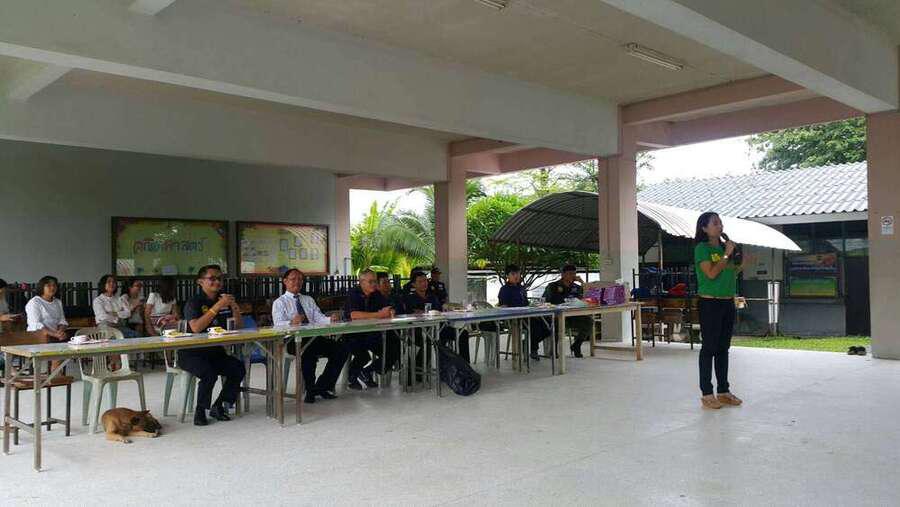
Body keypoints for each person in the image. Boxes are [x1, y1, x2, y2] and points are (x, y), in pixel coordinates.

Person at [181, 265, 246, 426]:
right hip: (191, 353)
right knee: (209, 373)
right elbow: (196, 327)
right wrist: (217, 307)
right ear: (200, 282)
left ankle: (219, 405)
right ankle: (200, 410)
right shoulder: (194, 302)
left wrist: (234, 307)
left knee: (238, 368)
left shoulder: (223, 300)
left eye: (219, 278)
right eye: (212, 278)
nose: (217, 282)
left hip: (215, 351)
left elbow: (238, 327)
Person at [272, 269, 348, 404]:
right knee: (308, 351)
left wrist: (330, 319)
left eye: (300, 279)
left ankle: (322, 386)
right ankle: (310, 389)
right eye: (293, 279)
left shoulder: (308, 299)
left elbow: (318, 317)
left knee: (341, 349)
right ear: (285, 281)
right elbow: (277, 324)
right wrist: (291, 322)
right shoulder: (280, 302)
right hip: (292, 340)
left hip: (313, 337)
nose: (297, 282)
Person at [694, 212, 743, 410]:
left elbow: (728, 273)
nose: (720, 226)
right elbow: (712, 273)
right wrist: (726, 255)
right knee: (709, 348)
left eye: (720, 222)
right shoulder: (702, 248)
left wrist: (741, 263)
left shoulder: (724, 248)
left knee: (723, 348)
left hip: (727, 302)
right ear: (704, 228)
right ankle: (707, 393)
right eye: (715, 223)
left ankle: (723, 391)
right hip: (710, 303)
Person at [343, 269, 394, 390]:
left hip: (372, 333)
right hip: (353, 334)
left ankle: (368, 371)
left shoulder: (376, 294)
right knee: (363, 355)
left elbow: (386, 308)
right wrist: (378, 314)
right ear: (361, 282)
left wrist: (390, 311)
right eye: (370, 282)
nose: (374, 284)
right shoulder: (354, 293)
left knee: (393, 349)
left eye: (375, 281)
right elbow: (354, 315)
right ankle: (352, 377)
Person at [404, 271, 470, 362]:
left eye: (425, 281)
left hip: (439, 329)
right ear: (413, 284)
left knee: (463, 333)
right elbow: (411, 314)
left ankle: (464, 365)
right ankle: (419, 368)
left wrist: (448, 309)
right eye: (420, 281)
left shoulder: (432, 297)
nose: (424, 283)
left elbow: (440, 311)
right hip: (420, 331)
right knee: (427, 341)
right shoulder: (409, 298)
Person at [498, 265, 551, 361]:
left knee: (549, 325)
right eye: (513, 274)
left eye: (518, 274)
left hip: (527, 315)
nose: (516, 276)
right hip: (514, 318)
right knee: (535, 327)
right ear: (507, 276)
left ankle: (526, 343)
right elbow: (503, 306)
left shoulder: (521, 288)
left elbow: (526, 304)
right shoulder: (504, 289)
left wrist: (533, 306)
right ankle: (533, 349)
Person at [543, 264, 591, 358]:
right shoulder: (553, 286)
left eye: (574, 274)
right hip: (556, 316)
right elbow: (545, 301)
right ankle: (553, 350)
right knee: (556, 324)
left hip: (572, 316)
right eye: (570, 274)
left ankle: (576, 345)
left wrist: (582, 282)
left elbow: (587, 297)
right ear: (563, 274)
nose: (572, 276)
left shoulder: (576, 287)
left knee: (588, 321)